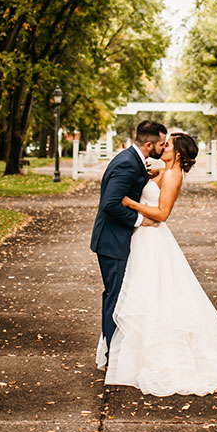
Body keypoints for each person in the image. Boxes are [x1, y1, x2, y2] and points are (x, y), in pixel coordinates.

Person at [103, 132, 217, 396]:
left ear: (177, 153)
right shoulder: (163, 169)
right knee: (145, 296)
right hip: (142, 238)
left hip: (153, 237)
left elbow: (163, 214)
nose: (163, 146)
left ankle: (158, 358)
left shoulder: (174, 174)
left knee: (155, 294)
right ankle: (135, 355)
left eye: (168, 144)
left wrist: (131, 203)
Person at [91, 120, 167, 367]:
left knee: (117, 295)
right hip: (112, 241)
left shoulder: (132, 160)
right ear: (149, 144)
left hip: (116, 239)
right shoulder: (126, 164)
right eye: (160, 144)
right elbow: (110, 203)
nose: (163, 148)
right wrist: (139, 220)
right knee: (116, 297)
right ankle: (114, 357)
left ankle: (116, 352)